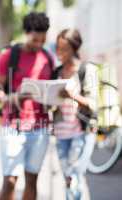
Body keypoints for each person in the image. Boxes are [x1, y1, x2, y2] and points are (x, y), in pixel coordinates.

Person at [0, 12, 53, 200]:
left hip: (40, 128)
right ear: (26, 33)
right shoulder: (9, 57)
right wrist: (14, 98)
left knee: (32, 179)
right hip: (14, 126)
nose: (38, 45)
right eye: (35, 40)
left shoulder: (47, 58)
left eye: (42, 41)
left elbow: (51, 89)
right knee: (10, 180)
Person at [52, 29, 98, 199]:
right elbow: (52, 105)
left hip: (81, 132)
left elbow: (93, 104)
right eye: (57, 48)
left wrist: (71, 95)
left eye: (63, 49)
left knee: (75, 177)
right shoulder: (56, 72)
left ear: (74, 48)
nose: (59, 53)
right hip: (61, 133)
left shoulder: (87, 70)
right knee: (68, 178)